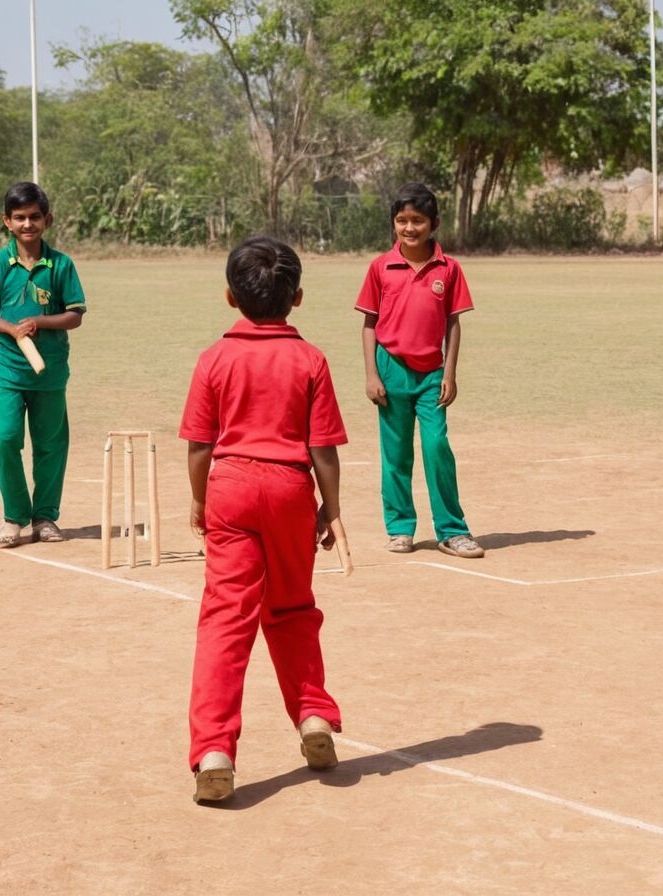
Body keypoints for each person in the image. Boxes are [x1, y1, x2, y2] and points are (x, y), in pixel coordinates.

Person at [180, 236, 348, 803]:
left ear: (230, 296)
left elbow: (200, 445)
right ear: (296, 298)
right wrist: (332, 508)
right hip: (290, 490)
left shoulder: (215, 358)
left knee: (226, 620)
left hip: (229, 486)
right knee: (294, 608)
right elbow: (323, 448)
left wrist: (201, 501)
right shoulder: (310, 359)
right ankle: (314, 718)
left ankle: (214, 750)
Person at [355, 182, 483, 558]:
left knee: (436, 446)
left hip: (431, 375)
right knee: (395, 454)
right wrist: (371, 375)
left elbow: (453, 323)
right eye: (402, 220)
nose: (409, 228)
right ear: (394, 223)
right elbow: (368, 325)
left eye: (418, 221)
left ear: (434, 223)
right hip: (390, 370)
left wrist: (450, 373)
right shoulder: (381, 267)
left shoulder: (450, 268)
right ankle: (400, 528)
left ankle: (452, 530)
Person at [0, 182, 86, 546]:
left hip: (50, 371)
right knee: (5, 439)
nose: (28, 224)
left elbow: (74, 316)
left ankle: (44, 518)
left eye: (35, 217)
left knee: (51, 446)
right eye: (20, 218)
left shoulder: (60, 265)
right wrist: (11, 328)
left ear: (47, 220)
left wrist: (41, 322)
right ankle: (13, 518)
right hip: (8, 370)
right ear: (6, 221)